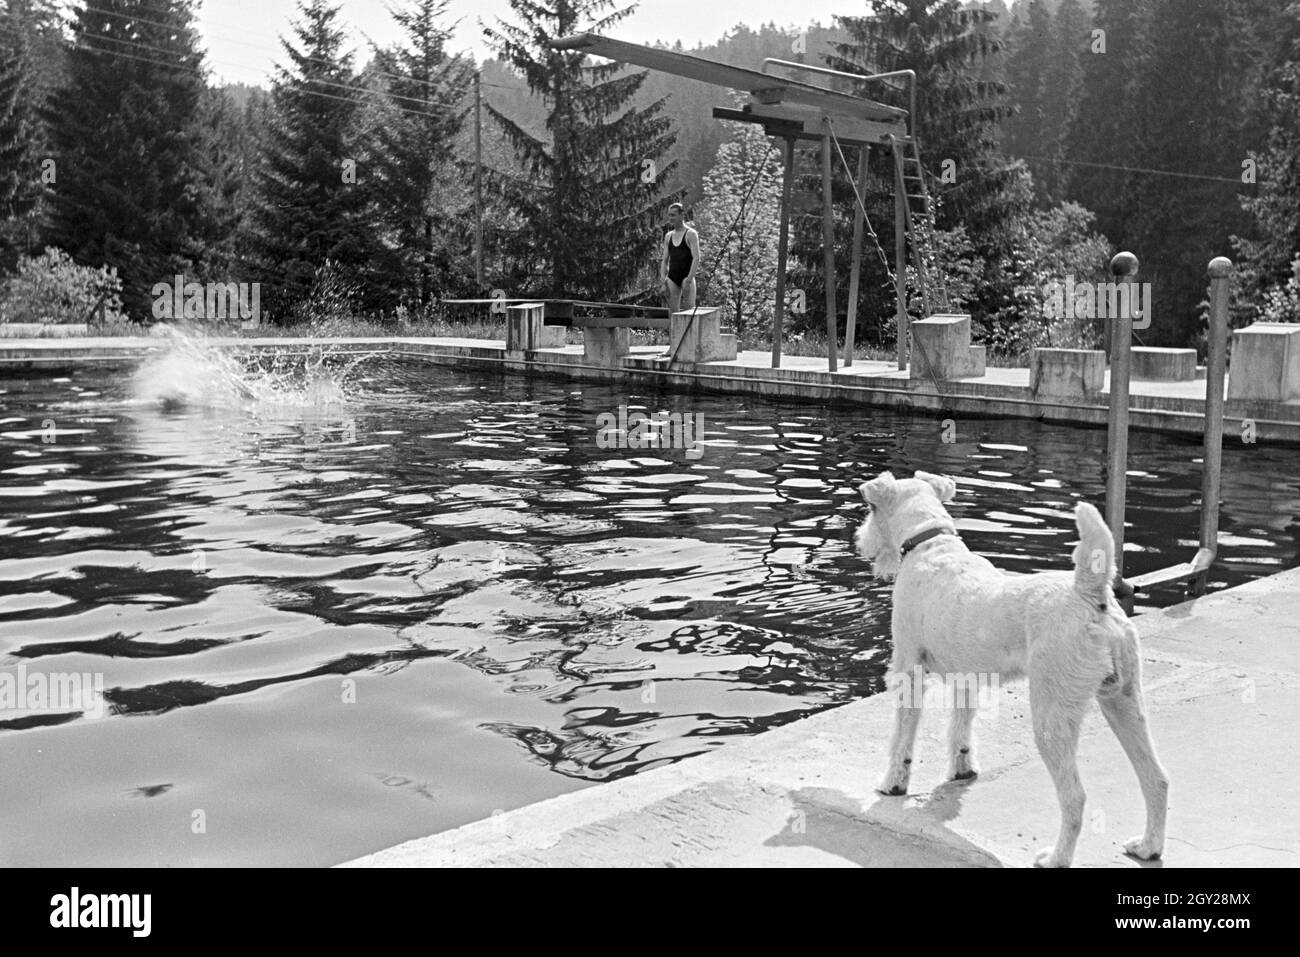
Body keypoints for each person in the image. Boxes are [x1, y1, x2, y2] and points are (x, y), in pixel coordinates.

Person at [660, 203, 699, 314]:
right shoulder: (668, 236)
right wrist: (663, 280)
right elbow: (664, 261)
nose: (671, 218)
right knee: (673, 314)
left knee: (689, 312)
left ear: (682, 215)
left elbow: (696, 258)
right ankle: (675, 332)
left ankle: (690, 332)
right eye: (669, 215)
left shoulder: (691, 234)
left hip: (687, 277)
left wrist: (689, 279)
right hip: (672, 278)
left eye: (673, 215)